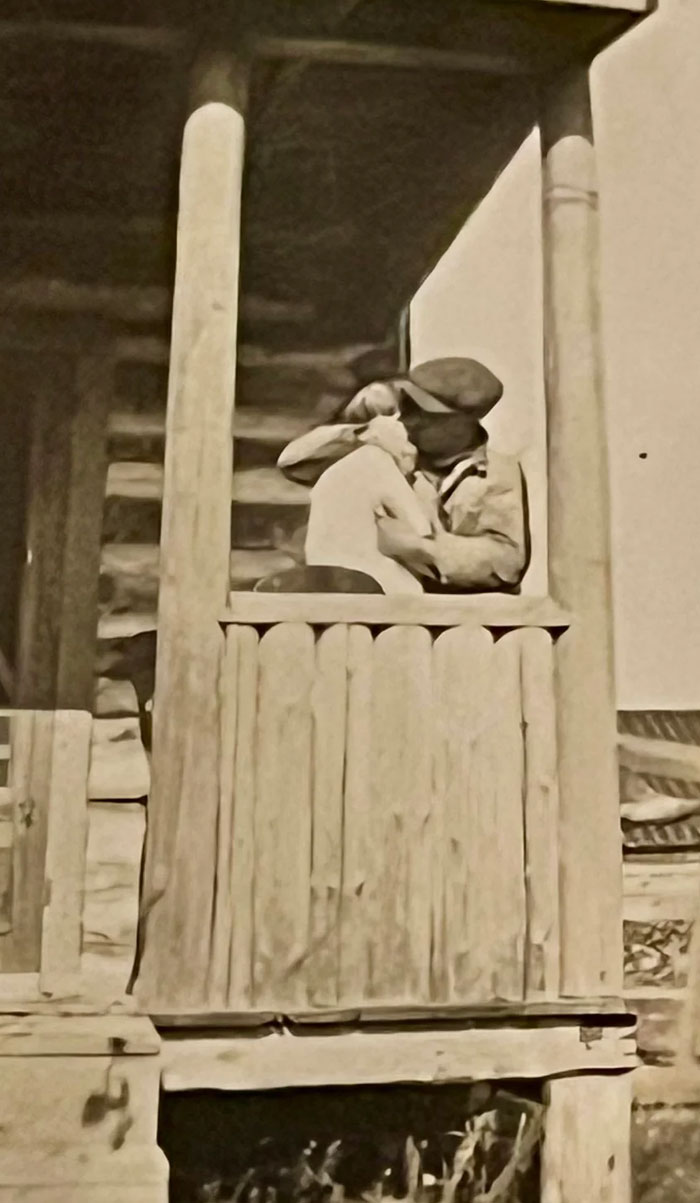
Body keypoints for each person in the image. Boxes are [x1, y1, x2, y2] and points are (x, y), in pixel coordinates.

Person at [276, 357, 530, 593]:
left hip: (438, 609)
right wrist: (361, 434)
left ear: (463, 423)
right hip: (358, 582)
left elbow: (506, 563)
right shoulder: (392, 436)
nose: (409, 419)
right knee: (366, 461)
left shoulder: (496, 473)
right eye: (407, 404)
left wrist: (419, 546)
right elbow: (294, 463)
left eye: (424, 414)